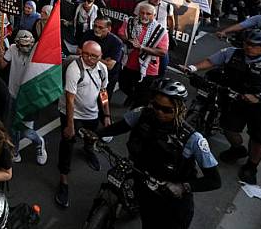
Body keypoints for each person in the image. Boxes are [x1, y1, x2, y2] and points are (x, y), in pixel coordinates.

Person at [92, 79, 222, 229]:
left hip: (171, 200)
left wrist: (182, 187)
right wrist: (96, 135)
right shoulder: (142, 114)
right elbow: (118, 128)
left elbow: (214, 181)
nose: (159, 112)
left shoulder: (193, 139)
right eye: (155, 106)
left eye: (166, 110)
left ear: (179, 108)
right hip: (143, 185)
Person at [185, 29, 261, 184]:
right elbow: (211, 61)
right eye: (246, 43)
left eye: (253, 45)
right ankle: (237, 149)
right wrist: (193, 68)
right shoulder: (231, 53)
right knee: (229, 127)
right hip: (236, 101)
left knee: (258, 140)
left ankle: (251, 166)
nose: (248, 47)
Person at [55, 40, 110, 209]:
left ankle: (88, 150)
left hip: (91, 113)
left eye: (94, 56)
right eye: (85, 54)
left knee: (91, 137)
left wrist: (106, 114)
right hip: (71, 113)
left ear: (100, 57)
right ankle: (63, 180)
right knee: (67, 144)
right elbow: (70, 100)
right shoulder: (74, 69)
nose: (89, 58)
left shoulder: (102, 70)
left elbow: (103, 92)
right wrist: (70, 125)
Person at [0, 31, 46, 165]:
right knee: (13, 127)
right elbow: (2, 65)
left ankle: (39, 141)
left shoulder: (37, 50)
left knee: (26, 131)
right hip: (13, 94)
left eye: (29, 44)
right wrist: (1, 54)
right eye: (23, 44)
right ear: (17, 43)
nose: (27, 47)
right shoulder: (12, 49)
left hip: (29, 97)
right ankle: (15, 151)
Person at [118, 2, 168, 108]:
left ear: (154, 16)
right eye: (142, 13)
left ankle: (135, 114)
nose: (144, 16)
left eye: (148, 14)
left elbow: (163, 52)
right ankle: (133, 97)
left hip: (148, 68)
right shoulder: (130, 22)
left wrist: (142, 47)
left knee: (143, 96)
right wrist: (129, 40)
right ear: (138, 13)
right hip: (129, 64)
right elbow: (121, 33)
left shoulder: (161, 31)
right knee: (123, 85)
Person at [78, 16, 123, 98]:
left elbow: (109, 66)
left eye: (100, 27)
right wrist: (100, 59)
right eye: (95, 26)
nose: (96, 29)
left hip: (108, 76)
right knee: (87, 97)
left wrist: (88, 55)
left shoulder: (116, 42)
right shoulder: (88, 34)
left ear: (109, 28)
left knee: (103, 99)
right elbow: (79, 51)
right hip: (89, 71)